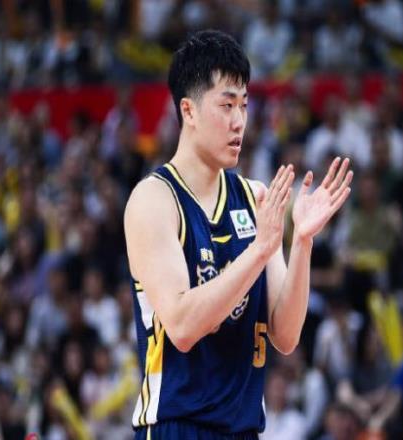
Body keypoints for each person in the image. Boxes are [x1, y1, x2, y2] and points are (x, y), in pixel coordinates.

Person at [123, 29, 353, 440]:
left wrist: (301, 242)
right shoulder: (153, 200)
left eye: (244, 106)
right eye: (226, 105)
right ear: (189, 111)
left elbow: (285, 335)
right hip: (177, 427)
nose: (239, 121)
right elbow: (182, 327)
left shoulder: (254, 198)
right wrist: (259, 250)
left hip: (244, 429)